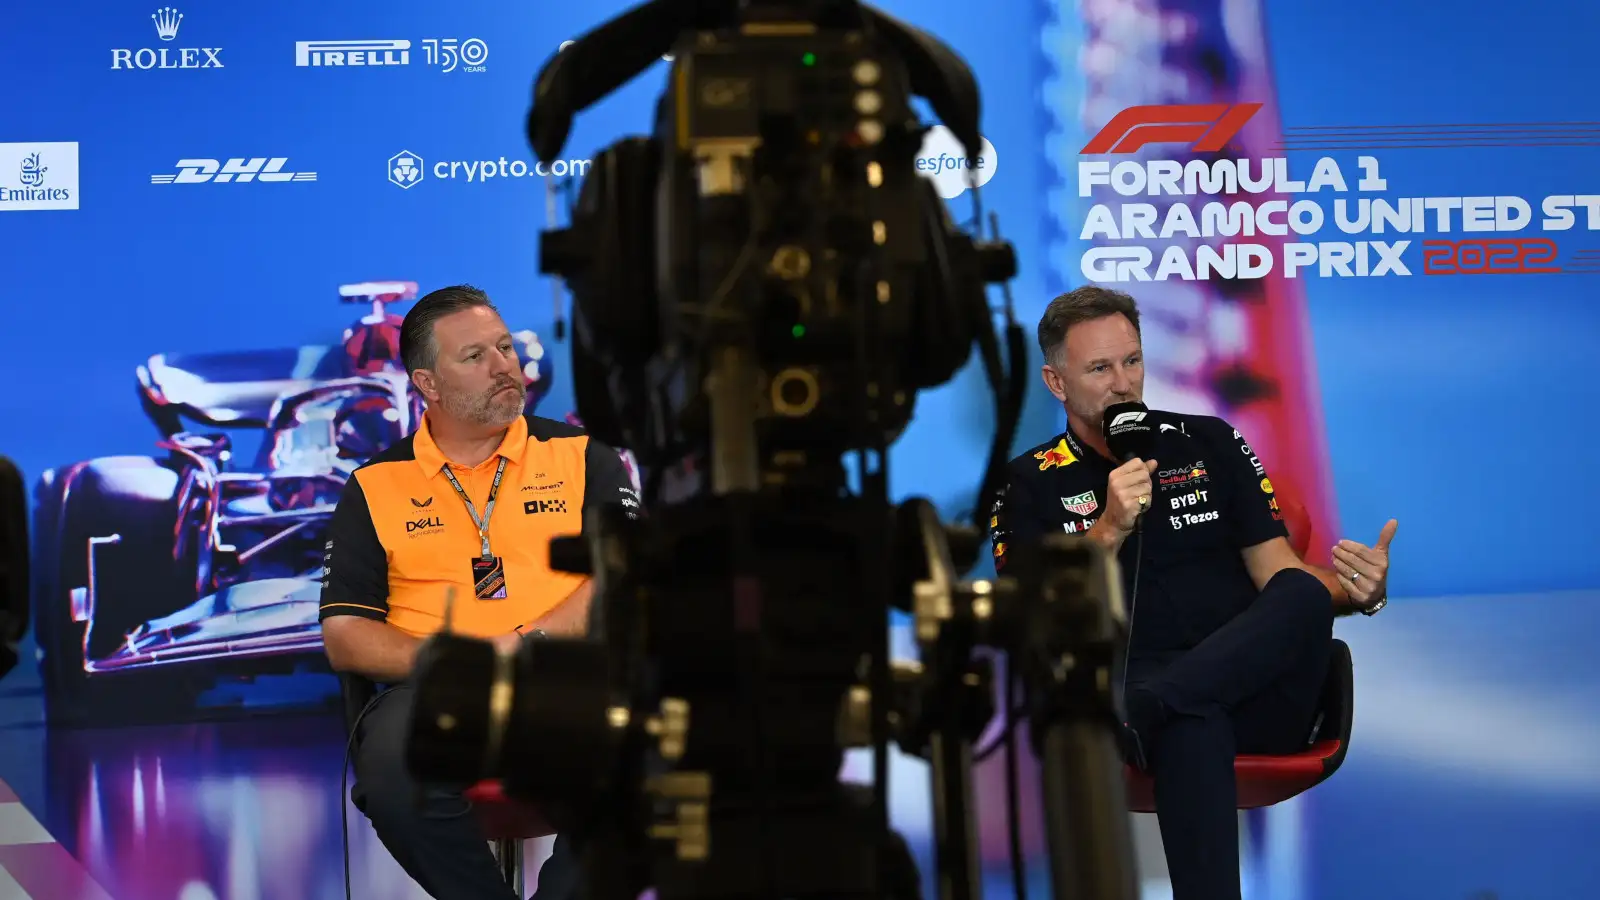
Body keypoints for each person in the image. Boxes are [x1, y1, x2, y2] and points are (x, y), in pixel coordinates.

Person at [988, 286, 1396, 900]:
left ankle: (1158, 709)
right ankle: (1165, 708)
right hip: (1134, 686)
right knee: (1193, 721)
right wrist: (1110, 526)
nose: (1123, 383)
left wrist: (1361, 592)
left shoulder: (1209, 441)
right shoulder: (1026, 482)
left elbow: (1278, 572)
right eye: (1100, 368)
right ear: (1056, 382)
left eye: (1132, 360)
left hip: (1243, 694)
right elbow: (1031, 613)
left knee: (1302, 596)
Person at [318, 285, 639, 900]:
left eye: (504, 348)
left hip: (569, 678)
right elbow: (346, 636)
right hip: (438, 692)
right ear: (428, 385)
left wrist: (523, 644)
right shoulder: (374, 485)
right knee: (394, 765)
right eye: (475, 357)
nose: (503, 366)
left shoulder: (583, 456)